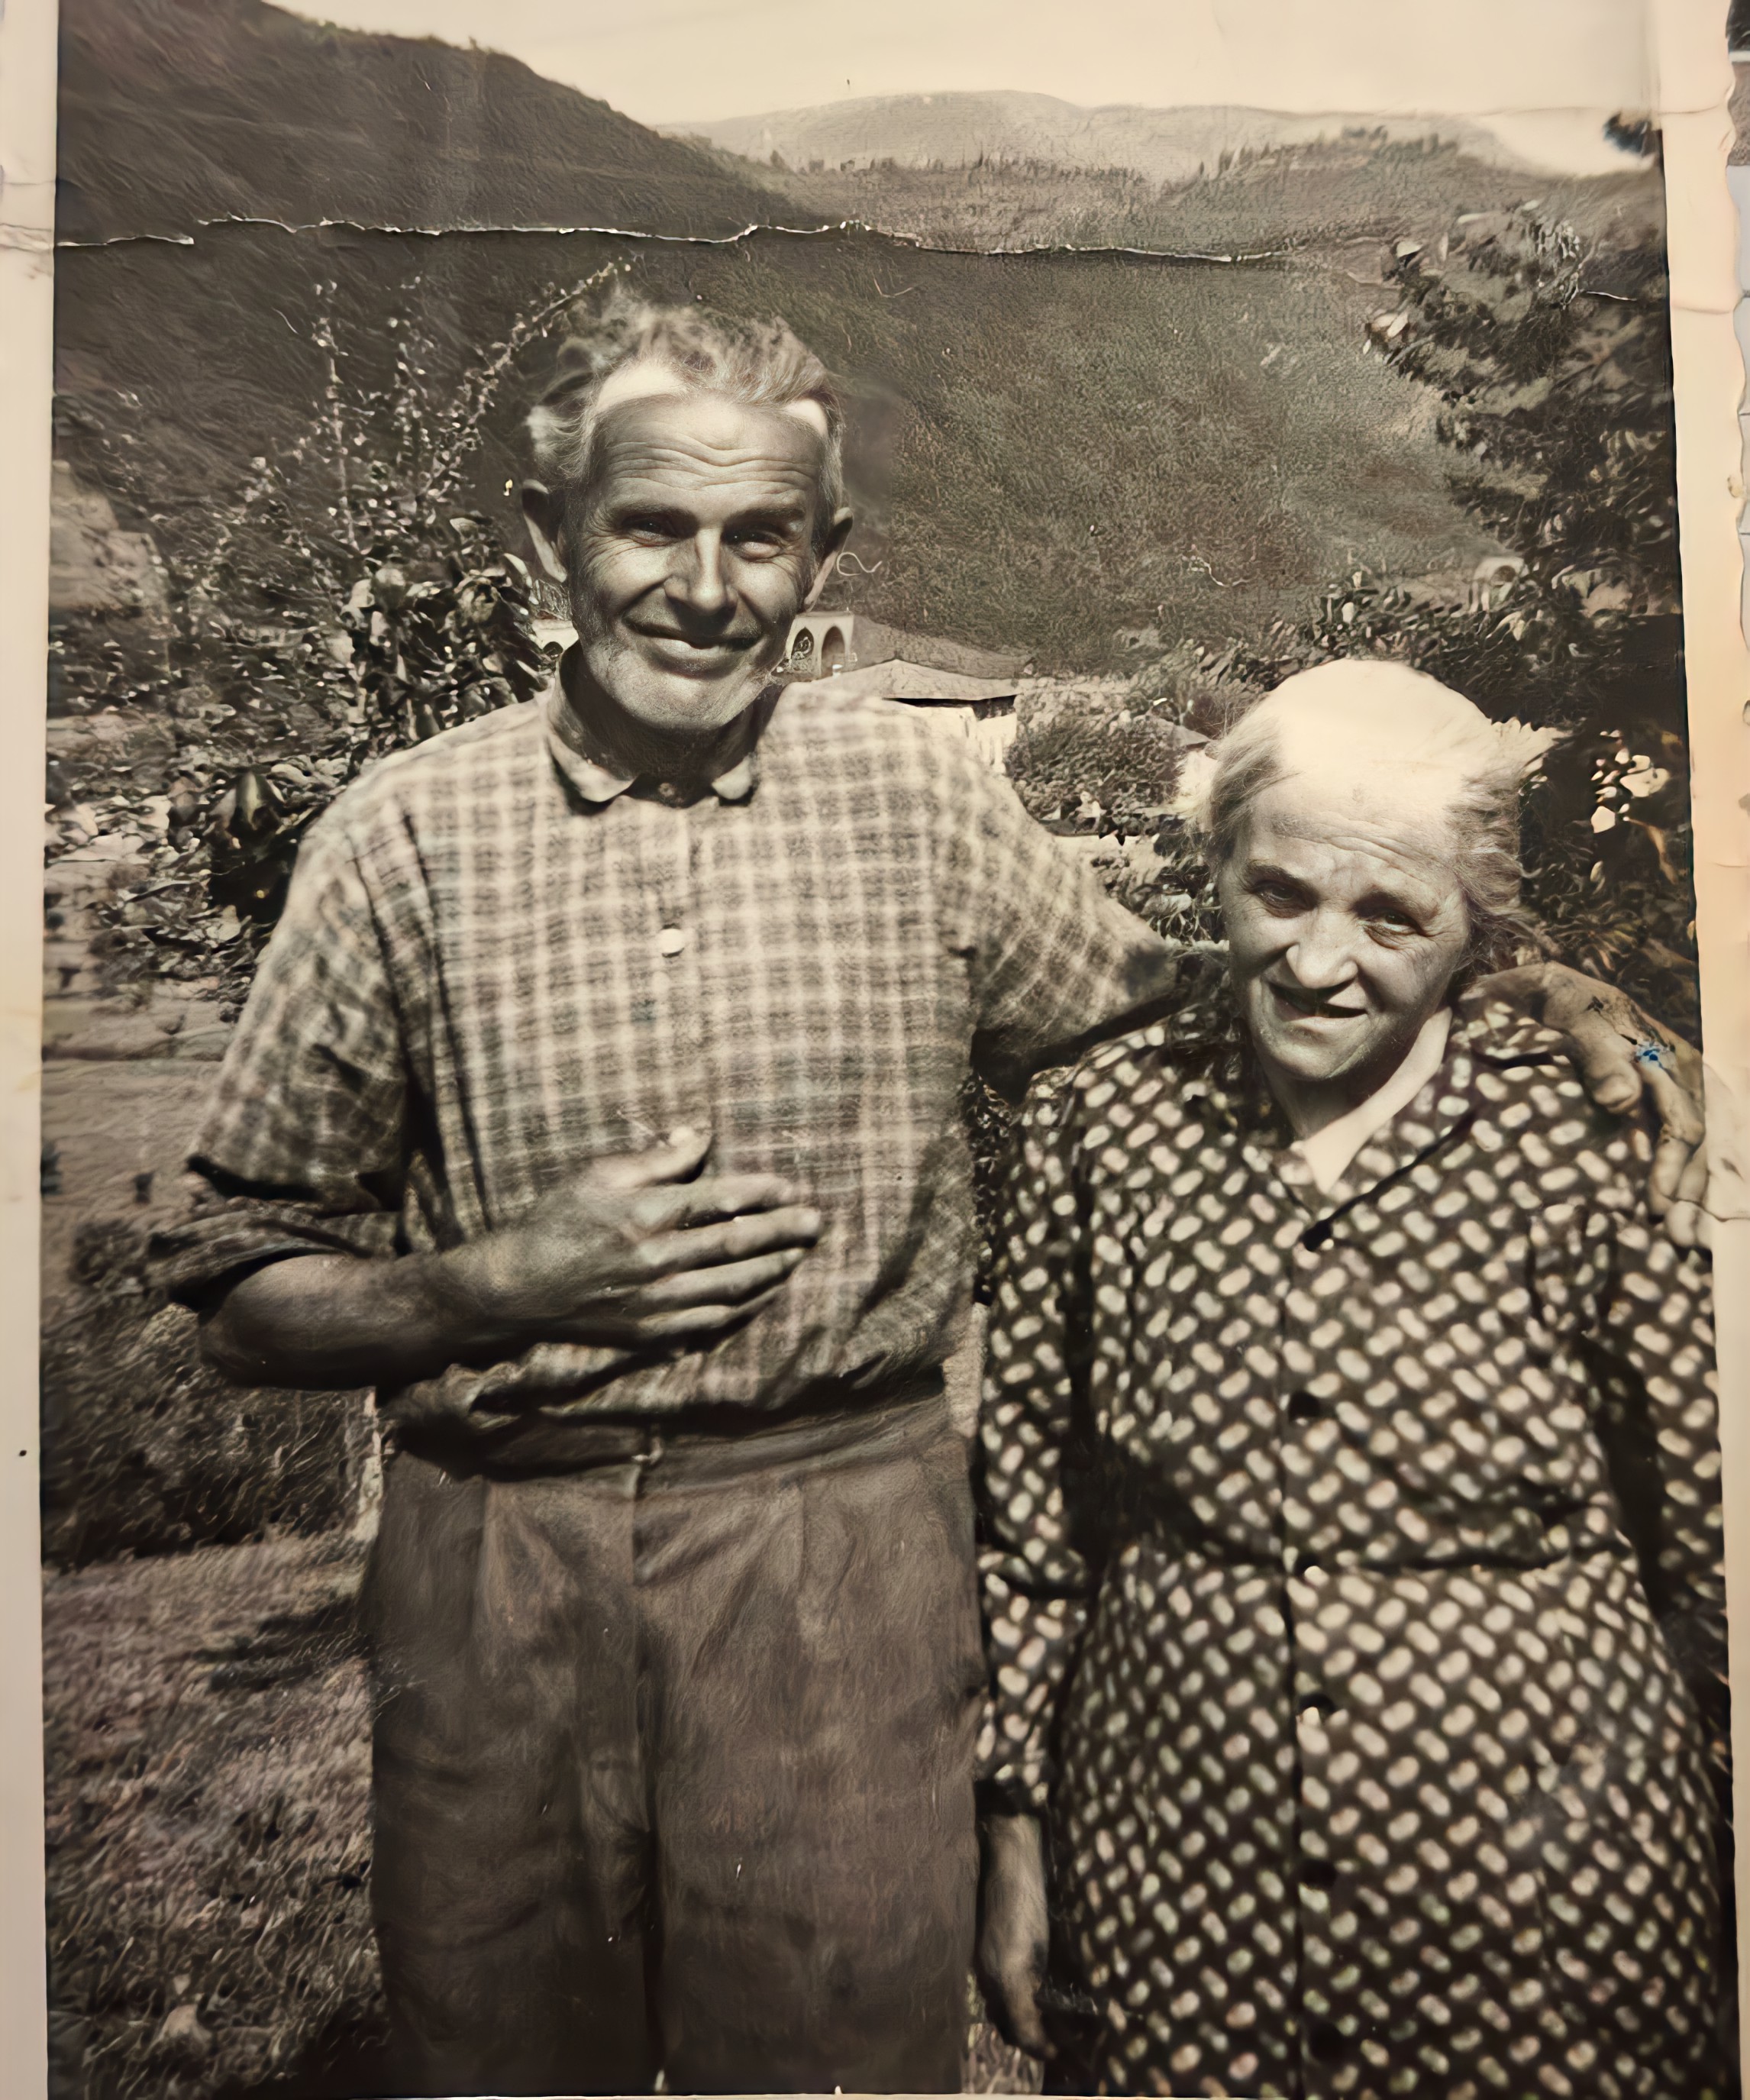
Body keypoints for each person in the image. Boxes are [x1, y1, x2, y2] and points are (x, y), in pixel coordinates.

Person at [150, 299, 1705, 2098]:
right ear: (546, 534)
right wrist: (496, 1280)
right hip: (497, 1566)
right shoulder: (398, 836)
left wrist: (1521, 988)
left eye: (762, 536)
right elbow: (241, 1286)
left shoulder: (917, 803)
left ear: (827, 552)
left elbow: (1218, 1002)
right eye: (651, 525)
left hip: (843, 1560)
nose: (706, 588)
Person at [975, 661, 1728, 2100]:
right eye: (1279, 893)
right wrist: (1013, 1827)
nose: (1321, 961)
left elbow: (1715, 1542)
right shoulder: (1099, 1124)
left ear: (1476, 929)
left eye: (1392, 915)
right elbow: (1032, 1523)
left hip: (1546, 1910)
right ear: (1217, 871)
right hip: (1177, 1895)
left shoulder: (1597, 1134)